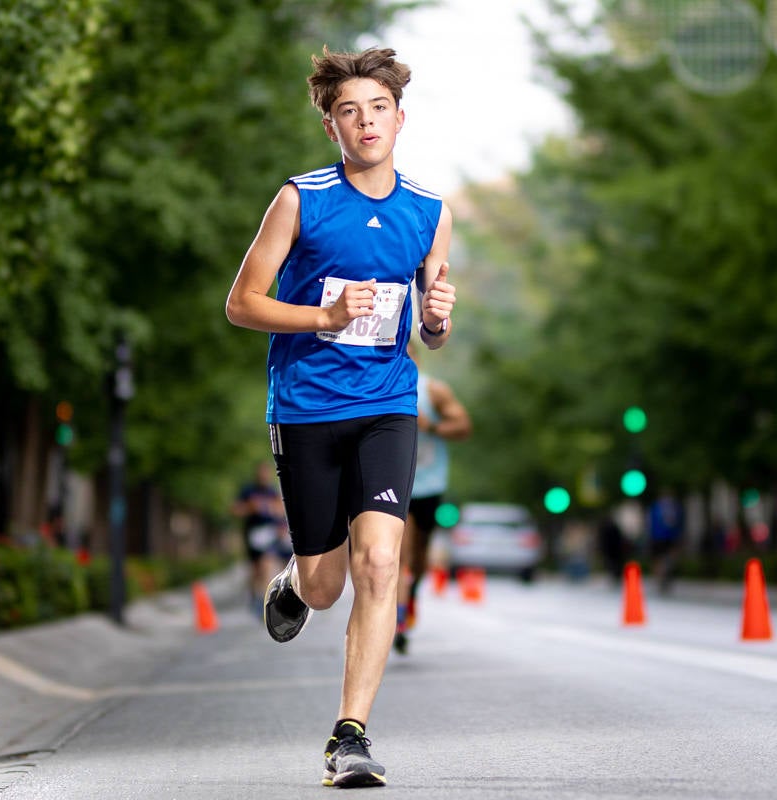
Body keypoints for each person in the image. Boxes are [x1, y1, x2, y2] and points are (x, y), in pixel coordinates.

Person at [225, 46, 455, 789]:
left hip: (387, 402)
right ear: (333, 127)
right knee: (327, 587)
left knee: (381, 562)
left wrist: (442, 320)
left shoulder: (430, 212)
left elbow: (427, 324)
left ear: (399, 118)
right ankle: (294, 583)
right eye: (349, 112)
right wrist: (322, 315)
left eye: (377, 109)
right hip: (305, 408)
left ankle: (349, 735)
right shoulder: (301, 198)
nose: (366, 123)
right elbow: (242, 303)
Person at [394, 341, 472, 655]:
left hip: (429, 487)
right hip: (397, 486)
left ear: (417, 358)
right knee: (400, 557)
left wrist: (432, 427)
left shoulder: (434, 391)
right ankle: (398, 621)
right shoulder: (378, 389)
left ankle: (409, 596)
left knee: (421, 559)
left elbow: (464, 427)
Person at [230, 461, 292, 610]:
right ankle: (254, 595)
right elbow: (235, 510)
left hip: (270, 536)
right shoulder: (248, 491)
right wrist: (250, 508)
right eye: (261, 473)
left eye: (266, 473)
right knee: (256, 569)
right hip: (252, 535)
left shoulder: (273, 492)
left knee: (267, 562)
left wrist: (278, 520)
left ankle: (266, 601)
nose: (264, 476)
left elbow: (281, 512)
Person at [646, 486, 685, 593]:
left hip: (657, 538)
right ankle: (665, 573)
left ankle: (660, 577)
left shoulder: (655, 507)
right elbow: (680, 523)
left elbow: (650, 523)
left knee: (657, 560)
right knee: (669, 557)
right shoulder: (676, 507)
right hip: (671, 537)